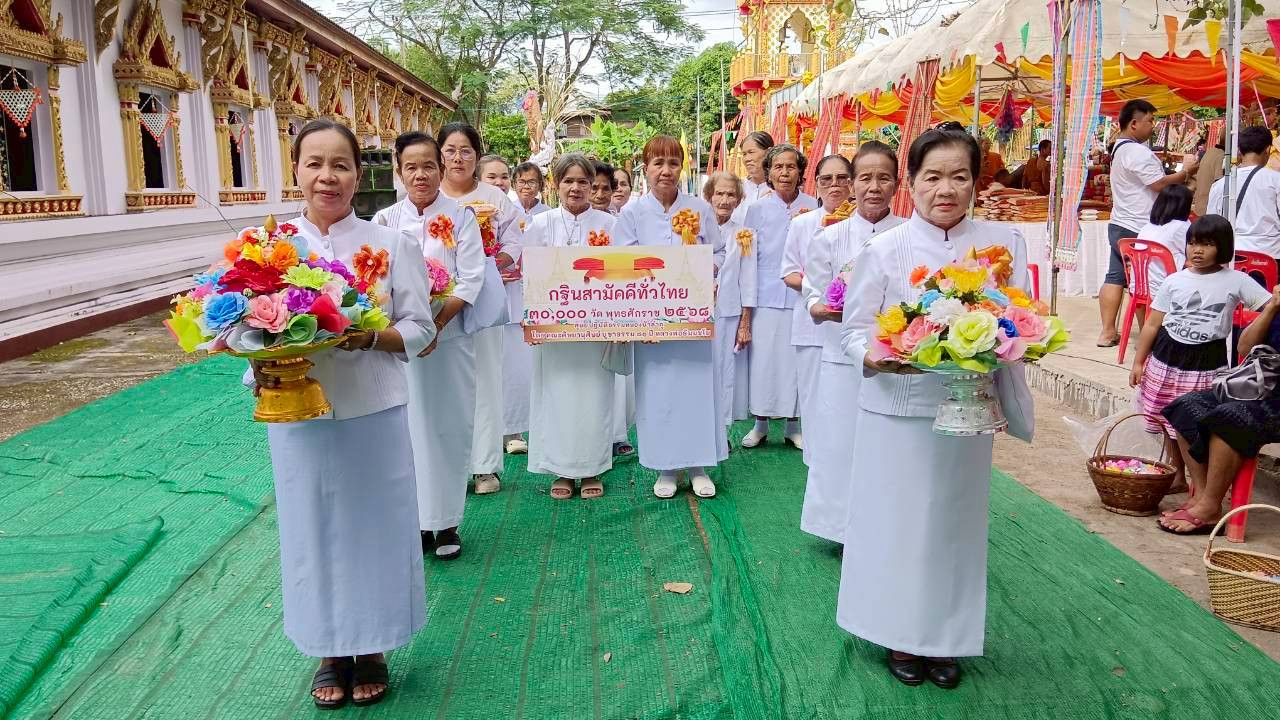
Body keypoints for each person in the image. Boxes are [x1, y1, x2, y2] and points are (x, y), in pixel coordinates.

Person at [837, 126, 1034, 688]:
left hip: (968, 412)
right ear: (912, 183)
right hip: (897, 411)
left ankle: (944, 639)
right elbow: (854, 330)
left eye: (959, 176)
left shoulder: (1002, 245)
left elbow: (1020, 319)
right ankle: (899, 634)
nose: (945, 189)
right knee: (897, 526)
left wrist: (1013, 342)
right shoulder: (884, 249)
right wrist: (877, 358)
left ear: (975, 182)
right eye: (932, 177)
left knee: (954, 525)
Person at [263, 119, 435, 708]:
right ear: (296, 170)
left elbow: (421, 328)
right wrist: (259, 361)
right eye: (314, 163)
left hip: (373, 409)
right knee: (311, 528)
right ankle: (327, 650)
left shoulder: (391, 245)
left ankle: (374, 646)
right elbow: (246, 331)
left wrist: (371, 337)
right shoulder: (268, 250)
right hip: (297, 414)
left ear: (359, 175)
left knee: (374, 527)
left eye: (340, 164)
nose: (327, 176)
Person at [375, 130, 486, 563]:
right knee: (403, 431)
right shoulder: (384, 220)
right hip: (397, 345)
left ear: (441, 169)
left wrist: (435, 325)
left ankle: (446, 522)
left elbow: (471, 278)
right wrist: (403, 329)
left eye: (428, 166)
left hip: (448, 340)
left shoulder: (461, 217)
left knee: (446, 427)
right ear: (399, 172)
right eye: (411, 167)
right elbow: (374, 283)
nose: (420, 174)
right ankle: (415, 521)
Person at [800, 141, 905, 543]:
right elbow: (813, 292)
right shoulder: (829, 237)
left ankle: (886, 529)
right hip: (840, 357)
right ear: (852, 184)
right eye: (865, 178)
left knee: (889, 447)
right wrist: (822, 308)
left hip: (895, 360)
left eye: (884, 178)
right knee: (841, 443)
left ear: (898, 184)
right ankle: (841, 531)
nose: (874, 187)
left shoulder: (908, 235)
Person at [615, 135, 728, 498]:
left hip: (693, 317)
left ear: (683, 167)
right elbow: (622, 266)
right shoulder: (632, 213)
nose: (666, 170)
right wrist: (638, 317)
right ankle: (665, 466)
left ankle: (698, 465)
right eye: (658, 163)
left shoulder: (700, 208)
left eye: (673, 163)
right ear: (645, 168)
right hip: (651, 323)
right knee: (659, 392)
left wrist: (706, 270)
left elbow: (720, 252)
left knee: (696, 389)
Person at [1130, 215, 1270, 497]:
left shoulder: (1236, 280)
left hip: (1206, 362)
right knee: (1167, 416)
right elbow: (1153, 324)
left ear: (1223, 247)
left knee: (1195, 420)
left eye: (1206, 244)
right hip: (1165, 358)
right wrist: (1138, 362)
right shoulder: (1174, 280)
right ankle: (1177, 472)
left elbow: (1268, 304)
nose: (1197, 250)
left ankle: (1202, 484)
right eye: (1193, 243)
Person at [524, 153, 619, 500]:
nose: (575, 188)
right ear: (556, 184)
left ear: (592, 185)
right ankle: (561, 470)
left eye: (582, 181)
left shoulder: (609, 225)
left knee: (594, 396)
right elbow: (529, 276)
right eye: (568, 181)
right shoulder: (540, 224)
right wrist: (532, 321)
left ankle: (592, 467)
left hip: (596, 330)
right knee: (556, 395)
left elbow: (619, 275)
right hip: (554, 333)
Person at [439, 123, 523, 496]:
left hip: (485, 299)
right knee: (443, 382)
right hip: (438, 301)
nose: (458, 158)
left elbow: (514, 241)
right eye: (450, 150)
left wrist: (489, 264)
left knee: (486, 378)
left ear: (477, 155)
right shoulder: (430, 198)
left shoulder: (495, 198)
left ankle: (484, 466)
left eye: (466, 151)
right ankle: (446, 466)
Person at [1161, 282, 1280, 533]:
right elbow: (1244, 348)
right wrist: (1272, 308)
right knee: (1187, 405)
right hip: (1258, 388)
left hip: (1274, 401)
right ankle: (1203, 496)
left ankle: (1209, 506)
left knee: (1229, 416)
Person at [1100, 99, 1199, 347]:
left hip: (1121, 222)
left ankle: (1108, 332)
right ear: (1134, 123)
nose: (1153, 126)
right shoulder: (1136, 151)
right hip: (1138, 226)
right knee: (1143, 282)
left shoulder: (1120, 149)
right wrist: (1186, 172)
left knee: (1116, 277)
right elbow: (1158, 184)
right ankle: (1147, 335)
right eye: (1150, 121)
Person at [742, 144, 819, 449]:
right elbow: (748, 258)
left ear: (800, 172)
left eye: (791, 166)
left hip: (802, 295)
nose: (785, 173)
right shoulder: (756, 209)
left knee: (795, 362)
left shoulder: (814, 205)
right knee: (764, 362)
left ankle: (793, 425)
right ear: (769, 173)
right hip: (766, 296)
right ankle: (760, 424)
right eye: (778, 167)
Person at [781, 154, 852, 465]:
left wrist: (851, 293)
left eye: (842, 178)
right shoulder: (802, 224)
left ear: (852, 183)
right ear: (817, 184)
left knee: (847, 400)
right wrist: (826, 291)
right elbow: (788, 272)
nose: (834, 185)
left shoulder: (864, 224)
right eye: (827, 179)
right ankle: (814, 462)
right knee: (813, 399)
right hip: (812, 326)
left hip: (854, 326)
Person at [504, 162, 551, 455]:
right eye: (521, 181)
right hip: (507, 296)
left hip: (538, 297)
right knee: (509, 369)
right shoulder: (504, 212)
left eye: (532, 182)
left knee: (532, 368)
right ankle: (511, 429)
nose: (526, 186)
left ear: (541, 186)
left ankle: (536, 425)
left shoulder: (548, 216)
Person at [704, 171, 756, 428]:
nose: (724, 200)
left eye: (731, 194)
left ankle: (722, 429)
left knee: (724, 368)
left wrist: (745, 323)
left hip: (728, 312)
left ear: (739, 199)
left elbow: (748, 279)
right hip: (694, 314)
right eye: (719, 193)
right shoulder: (692, 228)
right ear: (708, 196)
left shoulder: (743, 234)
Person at [1207, 125, 1280, 272]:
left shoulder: (1220, 184)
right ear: (1267, 149)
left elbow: (1211, 222)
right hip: (1268, 258)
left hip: (1230, 255)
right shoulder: (1275, 180)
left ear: (1240, 150)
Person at [1134, 184, 1194, 298]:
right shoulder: (1182, 226)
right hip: (1165, 288)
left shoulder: (1147, 226)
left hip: (1139, 287)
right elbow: (1192, 255)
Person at [732, 131, 776, 223]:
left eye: (751, 152)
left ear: (769, 152)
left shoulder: (780, 190)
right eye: (744, 154)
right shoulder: (735, 188)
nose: (747, 159)